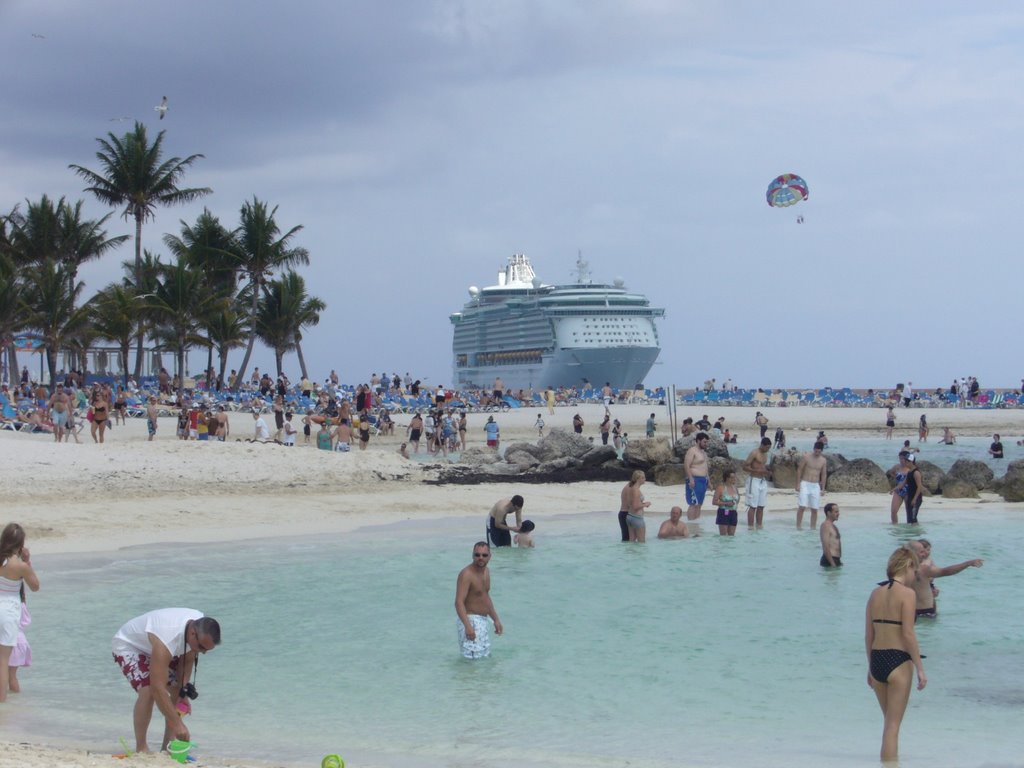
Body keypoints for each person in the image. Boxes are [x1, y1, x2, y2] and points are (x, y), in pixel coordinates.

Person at [111, 608, 221, 753]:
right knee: (148, 690)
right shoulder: (167, 637)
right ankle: (141, 748)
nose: (202, 652)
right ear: (192, 633)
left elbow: (186, 661)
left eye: (206, 650)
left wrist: (183, 692)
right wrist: (178, 724)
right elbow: (158, 689)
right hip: (130, 646)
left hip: (156, 647)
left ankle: (167, 748)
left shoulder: (198, 626)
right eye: (201, 647)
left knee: (177, 690)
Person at [865, 545, 926, 762]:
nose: (914, 576)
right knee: (893, 727)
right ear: (907, 565)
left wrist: (870, 667)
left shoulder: (875, 594)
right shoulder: (908, 594)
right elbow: (908, 634)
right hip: (898, 661)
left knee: (889, 724)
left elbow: (868, 636)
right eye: (914, 571)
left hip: (878, 660)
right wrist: (920, 668)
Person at [1, 523, 40, 703]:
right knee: (3, 660)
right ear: (20, 543)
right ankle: (2, 704)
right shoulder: (20, 566)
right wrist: (27, 562)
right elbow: (35, 587)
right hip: (8, 613)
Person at [908, 539, 983, 619]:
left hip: (912, 611)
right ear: (913, 553)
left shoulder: (901, 568)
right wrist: (968, 563)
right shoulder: (923, 568)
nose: (925, 554)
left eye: (926, 551)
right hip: (925, 612)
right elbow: (945, 571)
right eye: (922, 552)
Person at [455, 542, 503, 659]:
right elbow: (458, 602)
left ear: (490, 556)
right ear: (472, 556)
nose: (480, 558)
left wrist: (495, 619)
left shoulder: (486, 571)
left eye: (484, 555)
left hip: (483, 621)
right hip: (470, 620)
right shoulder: (466, 574)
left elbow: (485, 596)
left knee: (484, 658)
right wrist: (468, 626)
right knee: (471, 661)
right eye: (477, 555)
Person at [796, 441, 827, 528]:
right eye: (816, 451)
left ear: (821, 451)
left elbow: (823, 474)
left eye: (819, 451)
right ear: (814, 449)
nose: (817, 453)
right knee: (802, 506)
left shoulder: (823, 460)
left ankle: (812, 528)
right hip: (805, 483)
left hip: (815, 485)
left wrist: (823, 488)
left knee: (814, 508)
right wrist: (798, 484)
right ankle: (798, 526)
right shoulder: (806, 457)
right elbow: (799, 470)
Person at [742, 437, 773, 528]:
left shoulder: (765, 454)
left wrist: (767, 471)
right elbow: (744, 467)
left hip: (762, 481)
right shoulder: (754, 453)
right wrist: (757, 471)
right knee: (753, 506)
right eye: (766, 447)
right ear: (762, 445)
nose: (767, 449)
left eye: (769, 448)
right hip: (754, 480)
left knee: (761, 505)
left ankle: (759, 526)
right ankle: (750, 527)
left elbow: (762, 466)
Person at [683, 432, 710, 523]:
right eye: (704, 442)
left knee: (699, 504)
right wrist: (690, 479)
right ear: (698, 441)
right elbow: (687, 465)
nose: (706, 444)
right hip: (694, 479)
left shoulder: (703, 452)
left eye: (707, 442)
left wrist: (708, 481)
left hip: (703, 480)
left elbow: (705, 467)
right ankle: (691, 523)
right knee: (693, 503)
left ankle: (696, 523)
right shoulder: (692, 451)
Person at [622, 469, 651, 543]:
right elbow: (635, 506)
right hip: (637, 518)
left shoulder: (631, 488)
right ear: (638, 479)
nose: (645, 479)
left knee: (631, 542)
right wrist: (645, 504)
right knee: (641, 543)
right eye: (643, 478)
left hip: (630, 516)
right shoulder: (636, 490)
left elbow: (630, 503)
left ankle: (630, 554)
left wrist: (641, 503)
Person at [712, 469, 740, 536]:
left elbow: (738, 499)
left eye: (734, 477)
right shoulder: (720, 488)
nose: (734, 479)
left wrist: (734, 503)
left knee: (732, 536)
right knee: (723, 535)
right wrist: (726, 503)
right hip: (724, 512)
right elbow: (714, 501)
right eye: (732, 477)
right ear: (727, 478)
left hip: (733, 512)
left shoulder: (735, 488)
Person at [901, 452, 924, 524]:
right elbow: (903, 483)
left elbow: (919, 487)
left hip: (916, 498)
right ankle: (911, 534)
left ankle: (917, 533)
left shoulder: (916, 472)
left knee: (913, 518)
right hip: (910, 496)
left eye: (906, 462)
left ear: (910, 462)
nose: (904, 463)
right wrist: (894, 489)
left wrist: (914, 499)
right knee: (909, 518)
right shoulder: (909, 472)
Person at [888, 454, 911, 524]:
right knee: (893, 511)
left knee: (909, 512)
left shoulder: (910, 468)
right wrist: (897, 478)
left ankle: (910, 528)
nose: (901, 460)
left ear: (906, 459)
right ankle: (895, 526)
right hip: (898, 491)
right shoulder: (897, 467)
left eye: (902, 459)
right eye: (900, 458)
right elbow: (891, 472)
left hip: (908, 491)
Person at [819, 503, 842, 567]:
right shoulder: (825, 526)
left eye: (838, 512)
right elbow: (825, 546)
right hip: (829, 561)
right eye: (836, 512)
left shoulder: (833, 526)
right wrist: (832, 563)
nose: (838, 514)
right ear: (829, 513)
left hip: (835, 560)